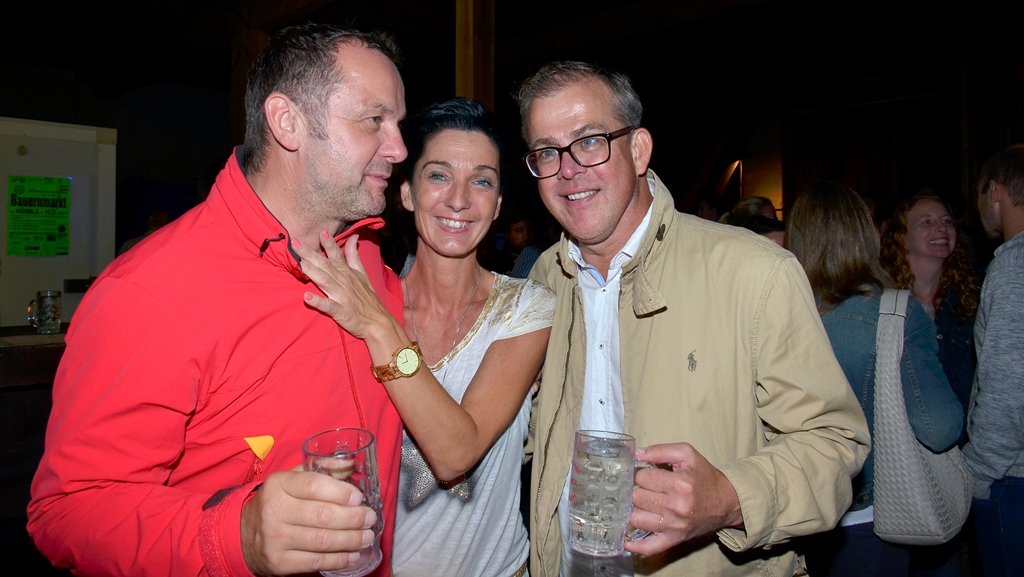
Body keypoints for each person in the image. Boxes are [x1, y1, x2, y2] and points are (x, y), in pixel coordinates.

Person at [28, 24, 408, 577]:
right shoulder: (149, 292)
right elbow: (68, 511)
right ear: (288, 122)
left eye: (398, 123)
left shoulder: (367, 257)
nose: (398, 148)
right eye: (374, 120)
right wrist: (238, 535)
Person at [517, 61, 871, 577]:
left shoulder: (755, 273)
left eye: (590, 141)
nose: (568, 169)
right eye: (547, 152)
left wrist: (729, 497)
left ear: (639, 150)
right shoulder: (545, 281)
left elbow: (834, 445)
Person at [294, 98, 555, 577]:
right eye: (438, 175)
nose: (459, 199)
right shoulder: (366, 302)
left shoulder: (526, 308)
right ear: (407, 193)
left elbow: (456, 454)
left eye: (482, 181)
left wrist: (379, 327)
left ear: (497, 206)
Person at [786, 181, 963, 577]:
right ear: (868, 234)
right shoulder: (895, 313)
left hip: (790, 510)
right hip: (866, 516)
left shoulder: (771, 310)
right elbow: (939, 428)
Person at [963, 144, 1024, 577]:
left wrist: (976, 474)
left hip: (1012, 480)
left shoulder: (1013, 268)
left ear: (996, 191)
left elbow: (1009, 388)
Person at [881, 195, 980, 438]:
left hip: (956, 441)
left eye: (946, 221)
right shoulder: (882, 301)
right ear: (901, 236)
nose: (941, 228)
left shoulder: (969, 301)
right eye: (927, 222)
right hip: (894, 442)